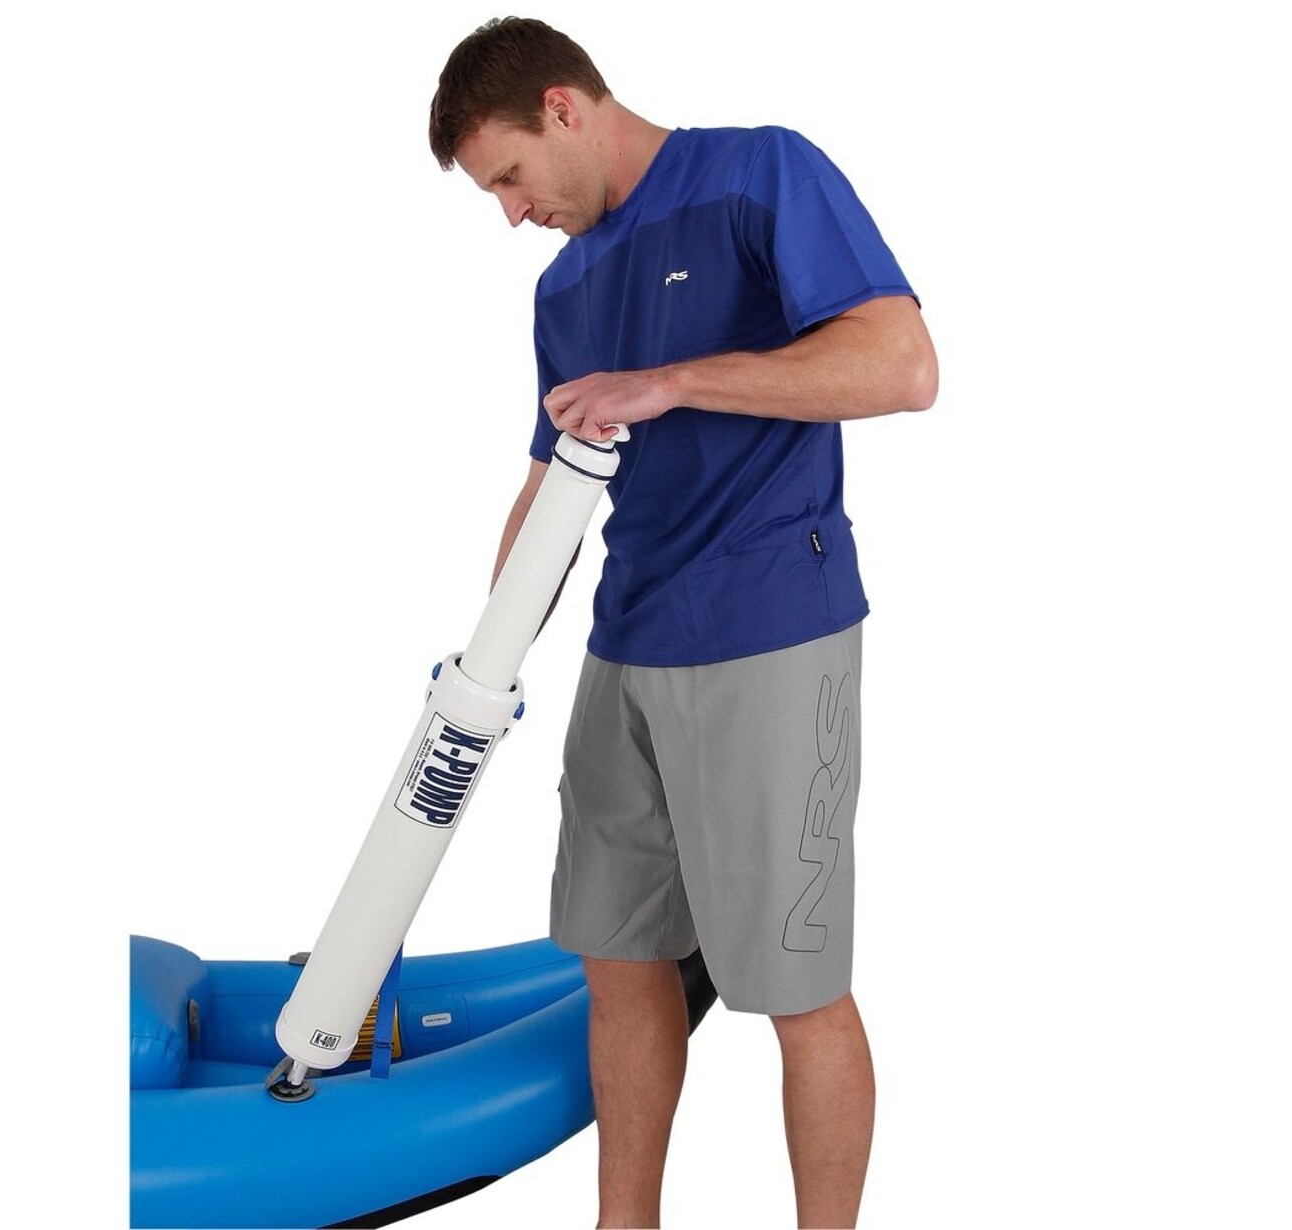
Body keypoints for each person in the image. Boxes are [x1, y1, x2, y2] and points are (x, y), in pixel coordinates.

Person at [429, 17, 936, 1229]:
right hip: (627, 644)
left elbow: (900, 363)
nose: (512, 214)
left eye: (509, 177)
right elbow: (548, 487)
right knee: (619, 965)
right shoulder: (565, 287)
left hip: (770, 626)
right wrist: (480, 672)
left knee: (795, 989)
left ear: (565, 108)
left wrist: (674, 381)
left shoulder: (760, 173)